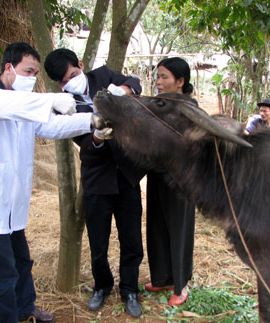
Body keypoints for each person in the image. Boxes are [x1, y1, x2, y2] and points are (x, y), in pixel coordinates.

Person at [0, 42, 99, 323]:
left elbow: (51, 126)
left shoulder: (24, 103)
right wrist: (49, 100)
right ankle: (7, 318)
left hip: (12, 203)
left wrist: (91, 119)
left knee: (21, 260)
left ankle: (26, 309)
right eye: (28, 71)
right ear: (8, 67)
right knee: (2, 270)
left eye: (35, 73)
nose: (32, 78)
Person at [44, 48, 146, 318]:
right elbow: (84, 147)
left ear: (80, 64)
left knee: (132, 238)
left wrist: (122, 90)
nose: (69, 83)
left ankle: (130, 289)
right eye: (63, 82)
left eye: (72, 75)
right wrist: (98, 138)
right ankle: (102, 286)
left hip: (126, 176)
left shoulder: (102, 75)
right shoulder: (66, 104)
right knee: (98, 242)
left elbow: (135, 83)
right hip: (97, 181)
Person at [144, 57, 196, 306]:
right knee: (156, 226)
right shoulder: (157, 104)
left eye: (164, 77)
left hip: (181, 180)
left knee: (179, 229)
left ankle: (181, 284)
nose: (159, 82)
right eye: (157, 77)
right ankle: (162, 277)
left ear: (180, 81)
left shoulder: (190, 108)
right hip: (157, 175)